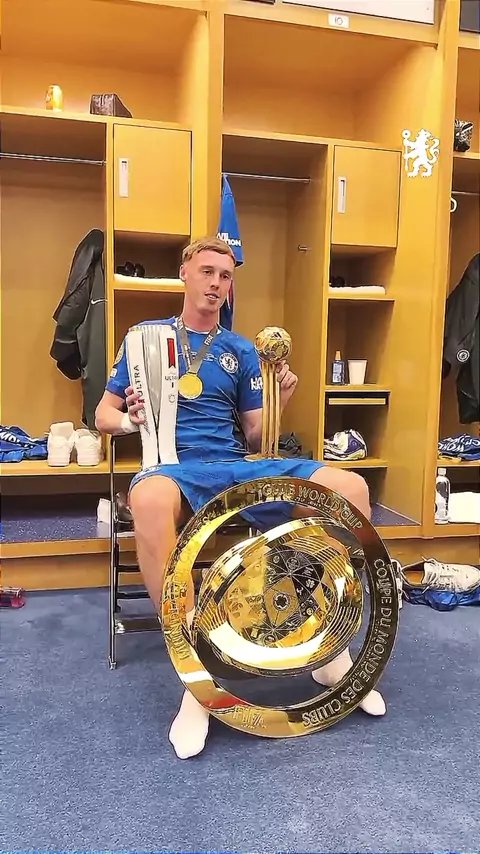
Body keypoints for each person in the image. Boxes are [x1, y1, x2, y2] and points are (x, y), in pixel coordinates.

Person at [95, 236, 386, 760]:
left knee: (350, 487)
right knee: (150, 500)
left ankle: (323, 640)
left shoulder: (241, 350)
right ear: (184, 274)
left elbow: (256, 436)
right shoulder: (144, 339)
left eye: (225, 276)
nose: (216, 283)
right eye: (207, 271)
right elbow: (102, 415)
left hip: (235, 465)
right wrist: (130, 420)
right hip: (173, 467)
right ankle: (196, 675)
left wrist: (281, 398)